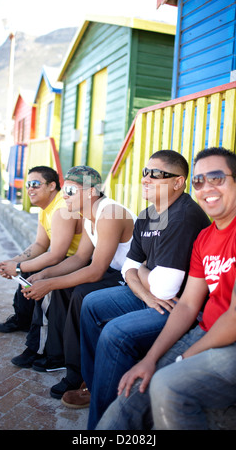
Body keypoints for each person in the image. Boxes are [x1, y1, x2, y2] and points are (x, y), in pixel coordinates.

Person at [96, 147, 236, 431]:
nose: (206, 188)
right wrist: (150, 360)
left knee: (167, 383)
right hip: (207, 330)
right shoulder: (205, 238)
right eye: (199, 181)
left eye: (216, 178)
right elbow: (186, 305)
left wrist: (180, 359)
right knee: (134, 389)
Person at [64, 150, 210, 430]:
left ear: (178, 182)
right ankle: (97, 389)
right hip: (149, 296)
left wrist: (141, 275)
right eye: (145, 172)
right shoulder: (149, 214)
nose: (146, 178)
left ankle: (106, 422)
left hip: (178, 306)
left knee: (115, 334)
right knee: (91, 302)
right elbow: (127, 268)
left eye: (157, 174)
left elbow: (164, 289)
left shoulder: (183, 216)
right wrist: (144, 289)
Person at [12, 165, 137, 399]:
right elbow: (80, 258)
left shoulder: (109, 213)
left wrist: (48, 284)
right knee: (62, 286)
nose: (64, 195)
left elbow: (95, 271)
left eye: (70, 190)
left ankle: (78, 373)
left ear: (90, 192)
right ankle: (57, 356)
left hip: (135, 278)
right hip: (116, 272)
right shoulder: (88, 216)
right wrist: (45, 275)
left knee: (80, 293)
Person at [0, 166, 82, 334]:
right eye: (28, 185)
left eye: (35, 184)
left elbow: (56, 255)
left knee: (32, 273)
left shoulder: (62, 208)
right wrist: (15, 262)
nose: (30, 189)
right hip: (66, 258)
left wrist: (19, 267)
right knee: (26, 270)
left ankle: (38, 336)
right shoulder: (45, 209)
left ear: (51, 186)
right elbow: (40, 244)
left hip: (79, 261)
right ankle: (22, 319)